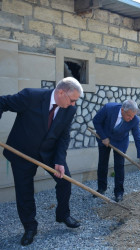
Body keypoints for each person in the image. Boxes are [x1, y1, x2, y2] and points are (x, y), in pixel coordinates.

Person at [0, 77, 84, 246]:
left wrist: (60, 160)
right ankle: (30, 227)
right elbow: (3, 102)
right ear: (61, 92)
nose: (74, 104)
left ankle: (62, 215)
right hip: (23, 151)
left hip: (50, 152)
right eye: (73, 99)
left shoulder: (69, 109)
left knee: (64, 180)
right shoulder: (31, 96)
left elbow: (64, 136)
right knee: (24, 191)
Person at [93, 100, 140, 202]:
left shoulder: (134, 119)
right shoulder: (109, 108)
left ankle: (119, 193)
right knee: (103, 163)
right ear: (122, 110)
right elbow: (96, 121)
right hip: (105, 138)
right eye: (129, 116)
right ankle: (101, 188)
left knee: (119, 166)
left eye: (133, 116)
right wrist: (104, 137)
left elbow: (138, 138)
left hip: (120, 141)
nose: (131, 118)